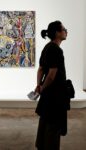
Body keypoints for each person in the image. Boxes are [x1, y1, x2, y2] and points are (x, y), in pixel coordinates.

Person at [35, 21, 69, 150]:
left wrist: (39, 86)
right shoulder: (56, 50)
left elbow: (41, 69)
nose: (66, 31)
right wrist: (42, 88)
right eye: (64, 29)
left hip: (47, 94)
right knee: (53, 127)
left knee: (45, 122)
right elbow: (51, 74)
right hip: (55, 96)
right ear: (57, 33)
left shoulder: (47, 47)